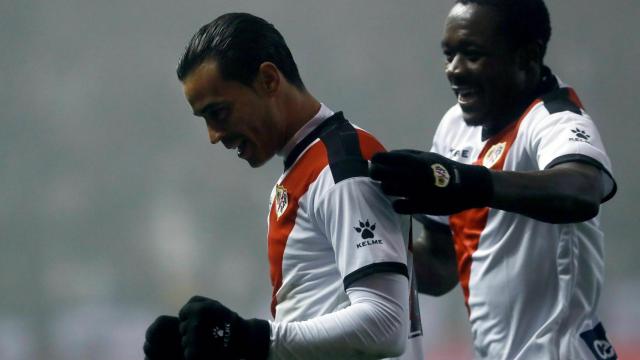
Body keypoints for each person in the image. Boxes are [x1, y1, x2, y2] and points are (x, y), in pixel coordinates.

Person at [143, 13, 424, 360]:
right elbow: (309, 324)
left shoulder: (341, 168)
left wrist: (249, 338)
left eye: (219, 113)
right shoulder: (303, 170)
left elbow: (385, 325)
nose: (214, 136)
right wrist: (222, 347)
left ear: (268, 80)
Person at [369, 0, 618, 359]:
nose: (453, 70)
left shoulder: (556, 119)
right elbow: (441, 268)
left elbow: (582, 190)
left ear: (526, 56)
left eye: (471, 54)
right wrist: (363, 249)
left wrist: (467, 183)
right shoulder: (455, 126)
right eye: (448, 54)